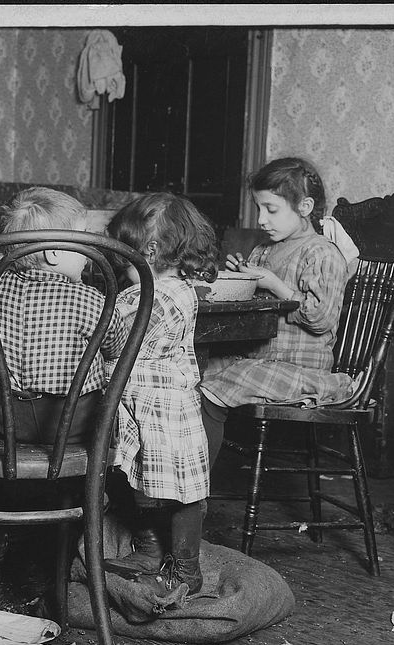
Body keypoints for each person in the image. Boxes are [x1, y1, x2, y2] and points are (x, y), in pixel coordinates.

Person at [198, 157, 356, 467]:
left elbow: (321, 319)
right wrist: (245, 279)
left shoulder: (321, 252)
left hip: (300, 368)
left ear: (305, 207)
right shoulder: (265, 249)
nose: (261, 220)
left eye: (271, 210)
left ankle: (198, 484)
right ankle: (180, 480)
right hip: (260, 358)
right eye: (259, 209)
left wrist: (274, 283)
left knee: (210, 392)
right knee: (193, 374)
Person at [103, 193, 220, 596]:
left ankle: (186, 568)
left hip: (164, 408)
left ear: (149, 251)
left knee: (181, 492)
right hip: (147, 403)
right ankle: (151, 551)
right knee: (144, 482)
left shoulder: (153, 296)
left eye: (126, 257)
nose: (123, 268)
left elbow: (112, 340)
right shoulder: (179, 287)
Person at [0, 187, 129, 444]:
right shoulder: (91, 301)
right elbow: (118, 346)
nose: (89, 256)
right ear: (54, 253)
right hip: (72, 425)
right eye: (83, 242)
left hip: (3, 421)